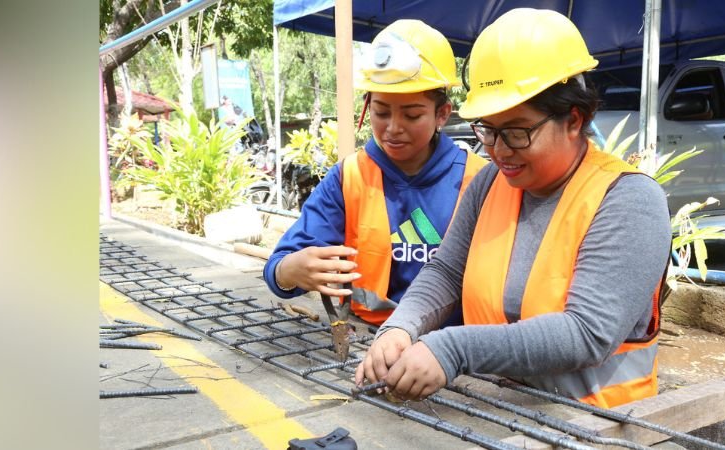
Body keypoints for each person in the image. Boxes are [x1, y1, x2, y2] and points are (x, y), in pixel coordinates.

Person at [355, 8, 671, 409]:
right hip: (502, 411)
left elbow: (587, 333)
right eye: (488, 129)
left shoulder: (628, 200)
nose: (499, 150)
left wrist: (453, 348)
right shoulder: (490, 184)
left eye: (518, 131)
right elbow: (448, 272)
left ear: (574, 118)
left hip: (597, 423)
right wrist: (401, 327)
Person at [262, 20, 487, 327]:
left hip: (451, 346)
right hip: (367, 333)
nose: (393, 127)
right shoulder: (349, 178)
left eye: (412, 114)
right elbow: (279, 270)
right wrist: (289, 270)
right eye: (381, 112)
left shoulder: (479, 180)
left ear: (442, 114)